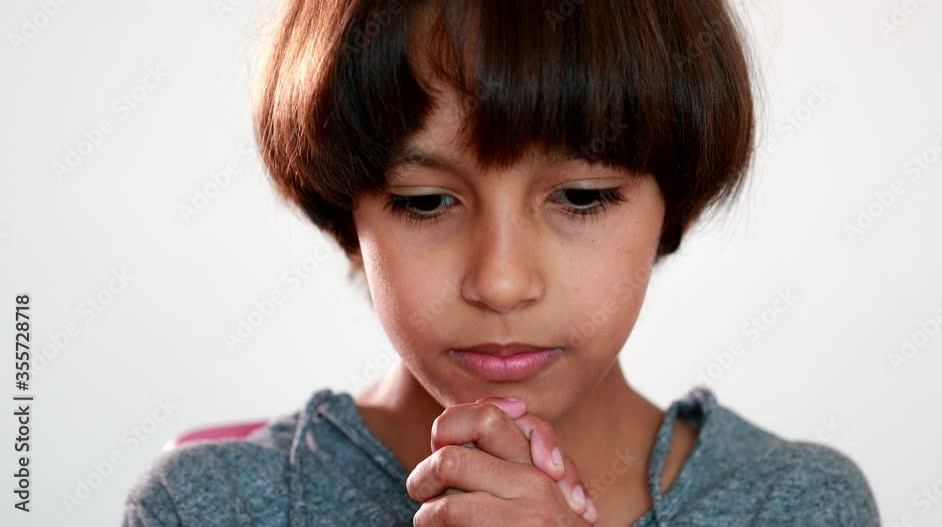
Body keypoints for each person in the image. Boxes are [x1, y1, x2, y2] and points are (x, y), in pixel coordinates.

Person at [124, 0, 880, 525]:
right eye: (424, 202)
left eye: (581, 196)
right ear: (347, 210)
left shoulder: (791, 502)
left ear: (670, 202)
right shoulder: (210, 505)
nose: (502, 282)